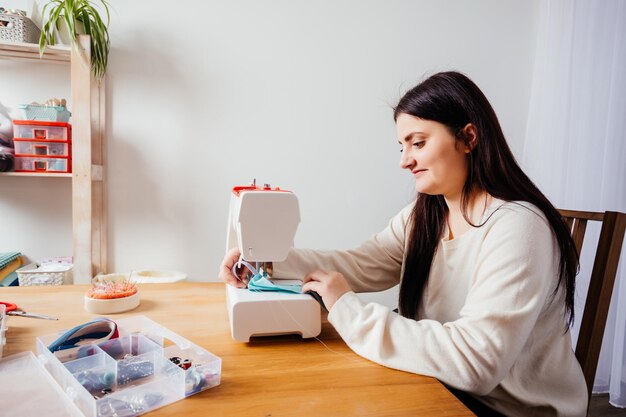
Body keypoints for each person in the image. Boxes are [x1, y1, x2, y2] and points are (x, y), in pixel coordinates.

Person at [219, 71, 587, 417]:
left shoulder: (519, 227)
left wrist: (348, 309)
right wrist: (266, 262)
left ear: (468, 139)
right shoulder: (426, 214)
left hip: (505, 408)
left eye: (418, 143)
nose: (404, 160)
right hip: (442, 383)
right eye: (402, 146)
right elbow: (363, 262)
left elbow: (477, 364)